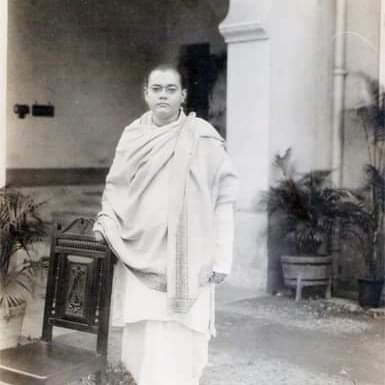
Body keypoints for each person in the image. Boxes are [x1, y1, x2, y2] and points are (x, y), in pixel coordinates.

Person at [93, 64, 239, 385]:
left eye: (171, 89)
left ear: (183, 95)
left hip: (190, 257)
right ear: (146, 94)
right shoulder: (133, 135)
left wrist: (222, 257)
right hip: (140, 256)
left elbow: (223, 200)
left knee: (185, 341)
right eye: (156, 88)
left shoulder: (204, 137)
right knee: (142, 339)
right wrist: (109, 221)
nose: (163, 95)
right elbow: (115, 187)